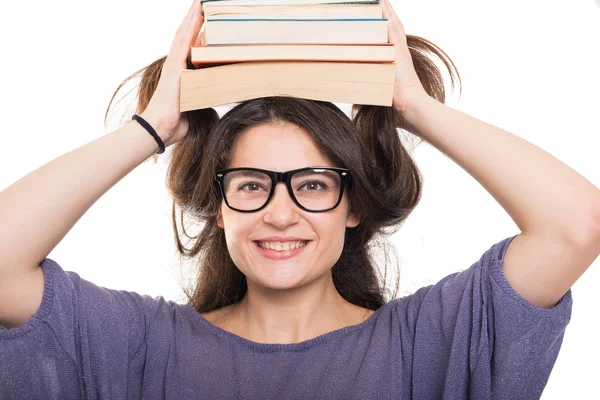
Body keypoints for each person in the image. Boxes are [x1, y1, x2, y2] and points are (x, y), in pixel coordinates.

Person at [0, 0, 598, 398]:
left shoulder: (426, 344)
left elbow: (576, 224)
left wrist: (415, 108)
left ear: (352, 204)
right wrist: (153, 127)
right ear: (219, 207)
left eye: (313, 184)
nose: (279, 212)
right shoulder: (138, 344)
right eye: (251, 185)